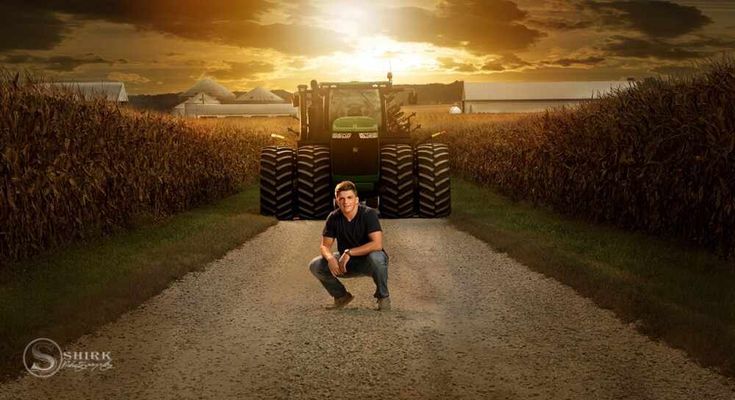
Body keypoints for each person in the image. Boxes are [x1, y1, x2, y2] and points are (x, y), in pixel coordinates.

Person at [308, 181, 390, 311]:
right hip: (345, 264)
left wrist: (348, 252)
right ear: (336, 201)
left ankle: (383, 297)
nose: (346, 202)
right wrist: (330, 259)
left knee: (377, 258)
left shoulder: (368, 214)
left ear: (357, 200)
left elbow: (377, 244)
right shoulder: (333, 217)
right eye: (341, 198)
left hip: (369, 262)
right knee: (315, 265)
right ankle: (341, 296)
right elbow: (324, 246)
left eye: (349, 198)